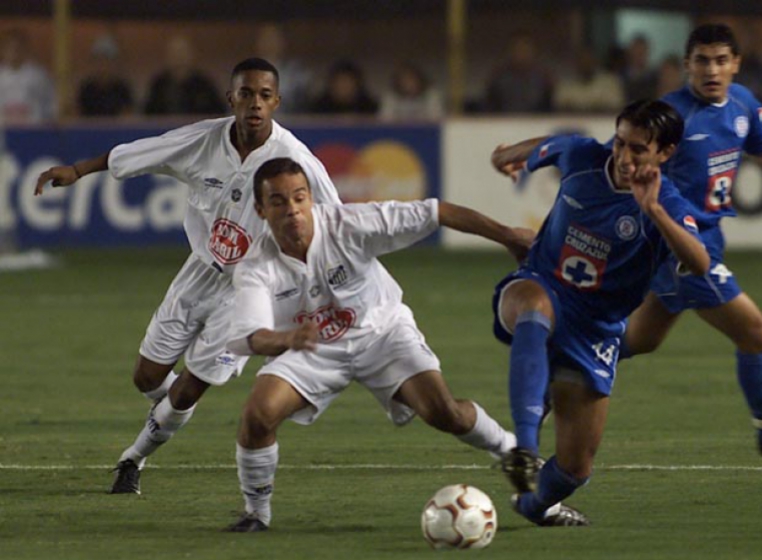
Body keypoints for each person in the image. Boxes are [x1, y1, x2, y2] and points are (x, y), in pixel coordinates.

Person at [34, 58, 342, 495]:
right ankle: (172, 411)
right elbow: (144, 152)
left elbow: (337, 220)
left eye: (264, 95)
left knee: (187, 390)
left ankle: (133, 458)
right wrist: (79, 171)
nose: (255, 103)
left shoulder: (295, 160)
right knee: (147, 378)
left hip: (250, 292)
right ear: (231, 97)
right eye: (246, 93)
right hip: (199, 273)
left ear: (277, 101)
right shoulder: (205, 140)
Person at [224, 157, 526, 532]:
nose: (292, 210)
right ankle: (256, 513)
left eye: (299, 197)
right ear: (260, 209)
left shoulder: (351, 225)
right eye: (279, 201)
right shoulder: (256, 265)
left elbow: (438, 212)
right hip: (312, 349)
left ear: (311, 198)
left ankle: (512, 450)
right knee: (258, 413)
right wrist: (287, 339)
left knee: (443, 413)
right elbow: (253, 336)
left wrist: (508, 235)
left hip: (382, 332)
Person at [489, 99, 710, 526]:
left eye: (638, 150)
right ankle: (525, 451)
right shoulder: (584, 157)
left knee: (575, 467)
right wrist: (508, 155)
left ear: (664, 153)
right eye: (620, 143)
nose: (624, 158)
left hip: (595, 331)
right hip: (542, 284)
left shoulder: (670, 204)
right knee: (533, 309)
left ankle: (536, 507)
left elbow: (699, 262)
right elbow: (551, 145)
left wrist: (654, 211)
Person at [621, 24, 762, 460]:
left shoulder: (743, 103)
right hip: (680, 248)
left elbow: (760, 147)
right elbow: (623, 155)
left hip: (710, 239)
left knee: (640, 339)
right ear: (686, 65)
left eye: (720, 60)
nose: (711, 70)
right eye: (701, 60)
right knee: (755, 333)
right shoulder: (669, 115)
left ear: (736, 64)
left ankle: (564, 369)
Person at [143, 35, 224, 116]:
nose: (179, 58)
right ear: (167, 57)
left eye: (182, 53)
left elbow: (220, 113)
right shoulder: (159, 85)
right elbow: (147, 116)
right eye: (174, 54)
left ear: (191, 55)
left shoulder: (204, 85)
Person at [484, 31, 554, 114]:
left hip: (536, 123)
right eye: (517, 49)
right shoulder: (498, 78)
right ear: (510, 51)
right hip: (503, 122)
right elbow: (491, 107)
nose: (521, 53)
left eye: (525, 49)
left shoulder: (543, 78)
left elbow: (548, 108)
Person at [0, 28, 56, 123]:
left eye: (17, 48)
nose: (14, 52)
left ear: (25, 49)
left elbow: (51, 102)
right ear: (3, 50)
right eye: (10, 48)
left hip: (32, 130)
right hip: (3, 131)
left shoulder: (38, 75)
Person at [77, 33, 134, 117]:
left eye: (106, 61)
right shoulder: (86, 90)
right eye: (99, 60)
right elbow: (77, 117)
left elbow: (129, 116)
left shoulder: (122, 90)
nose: (103, 66)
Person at [379, 62, 444, 121]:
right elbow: (386, 119)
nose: (409, 84)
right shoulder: (391, 96)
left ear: (420, 80)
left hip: (425, 131)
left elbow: (436, 118)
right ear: (398, 82)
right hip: (399, 131)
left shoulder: (431, 94)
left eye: (412, 79)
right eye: (405, 80)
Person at [310, 60, 378, 115]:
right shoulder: (318, 108)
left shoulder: (369, 107)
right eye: (339, 82)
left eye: (347, 82)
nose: (343, 87)